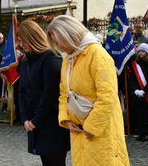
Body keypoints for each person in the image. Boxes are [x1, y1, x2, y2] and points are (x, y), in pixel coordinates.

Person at [47, 15, 129, 166]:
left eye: (60, 42)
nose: (60, 47)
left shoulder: (98, 55)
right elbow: (64, 92)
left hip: (101, 130)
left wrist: (91, 127)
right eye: (56, 44)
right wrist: (66, 119)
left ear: (70, 35)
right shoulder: (68, 58)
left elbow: (108, 97)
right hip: (78, 130)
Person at [17, 20, 70, 166]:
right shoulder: (25, 60)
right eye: (19, 40)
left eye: (24, 40)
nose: (21, 44)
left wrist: (35, 121)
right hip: (34, 120)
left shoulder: (51, 57)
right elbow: (22, 90)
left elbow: (51, 94)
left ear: (34, 37)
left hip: (51, 121)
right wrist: (25, 118)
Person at [129, 43, 148, 142]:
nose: (140, 53)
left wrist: (144, 90)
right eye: (139, 51)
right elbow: (132, 78)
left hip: (147, 92)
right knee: (139, 113)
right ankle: (140, 133)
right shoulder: (135, 63)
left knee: (146, 114)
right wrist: (135, 89)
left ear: (147, 52)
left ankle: (146, 133)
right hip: (137, 93)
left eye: (143, 51)